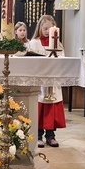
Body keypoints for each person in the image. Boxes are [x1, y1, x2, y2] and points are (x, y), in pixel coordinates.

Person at [28, 14, 66, 147]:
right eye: (45, 29)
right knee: (39, 108)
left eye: (50, 29)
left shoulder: (58, 45)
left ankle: (51, 136)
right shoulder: (34, 43)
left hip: (53, 82)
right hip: (39, 82)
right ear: (40, 28)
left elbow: (62, 61)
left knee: (51, 109)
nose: (47, 32)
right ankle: (38, 135)